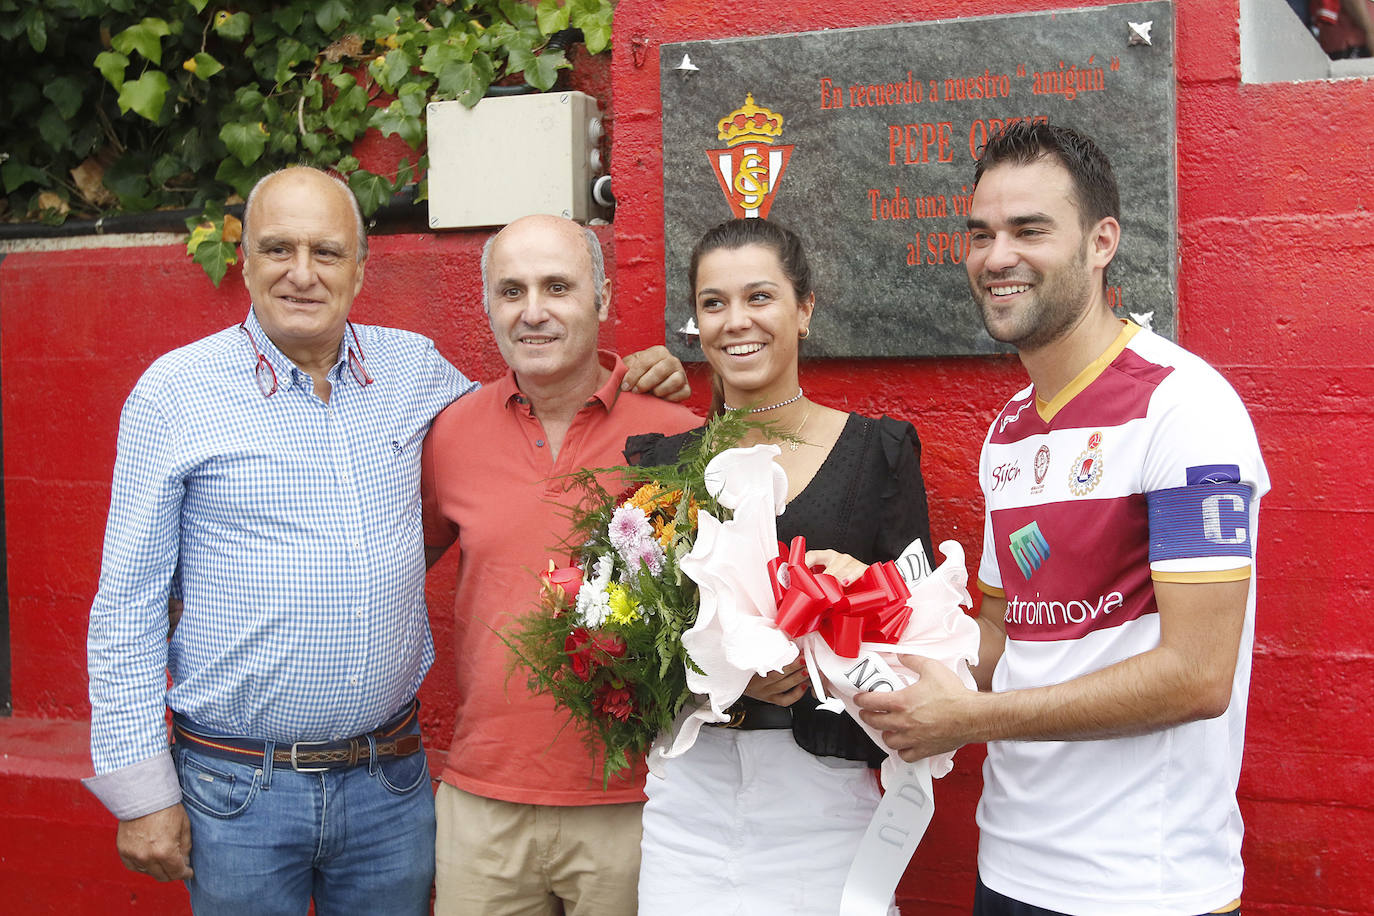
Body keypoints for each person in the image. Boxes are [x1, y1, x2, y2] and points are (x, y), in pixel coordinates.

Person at [84, 166, 688, 914]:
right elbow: (127, 603)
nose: (302, 274)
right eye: (278, 249)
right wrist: (139, 787)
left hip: (387, 786)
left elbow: (536, 402)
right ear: (244, 261)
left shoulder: (415, 372)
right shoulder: (175, 392)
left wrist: (638, 375)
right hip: (237, 788)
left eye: (327, 253)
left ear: (361, 269)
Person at [854, 123, 1269, 916]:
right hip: (1009, 866)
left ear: (1102, 241)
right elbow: (1006, 639)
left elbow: (1198, 675)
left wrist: (969, 721)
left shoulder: (1184, 408)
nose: (997, 256)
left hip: (1145, 886)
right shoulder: (1010, 426)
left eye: (1029, 230)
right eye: (981, 233)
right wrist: (863, 634)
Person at [628, 217, 934, 915]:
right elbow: (627, 650)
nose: (737, 322)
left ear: (804, 309)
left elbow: (925, 628)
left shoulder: (879, 454)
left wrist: (859, 599)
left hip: (823, 803)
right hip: (688, 805)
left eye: (759, 297)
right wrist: (731, 673)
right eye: (714, 303)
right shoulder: (657, 467)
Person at [420, 214, 700, 916]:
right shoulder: (452, 433)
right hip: (483, 800)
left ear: (603, 300)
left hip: (631, 798)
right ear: (488, 305)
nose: (534, 311)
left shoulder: (673, 433)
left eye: (557, 287)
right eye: (511, 291)